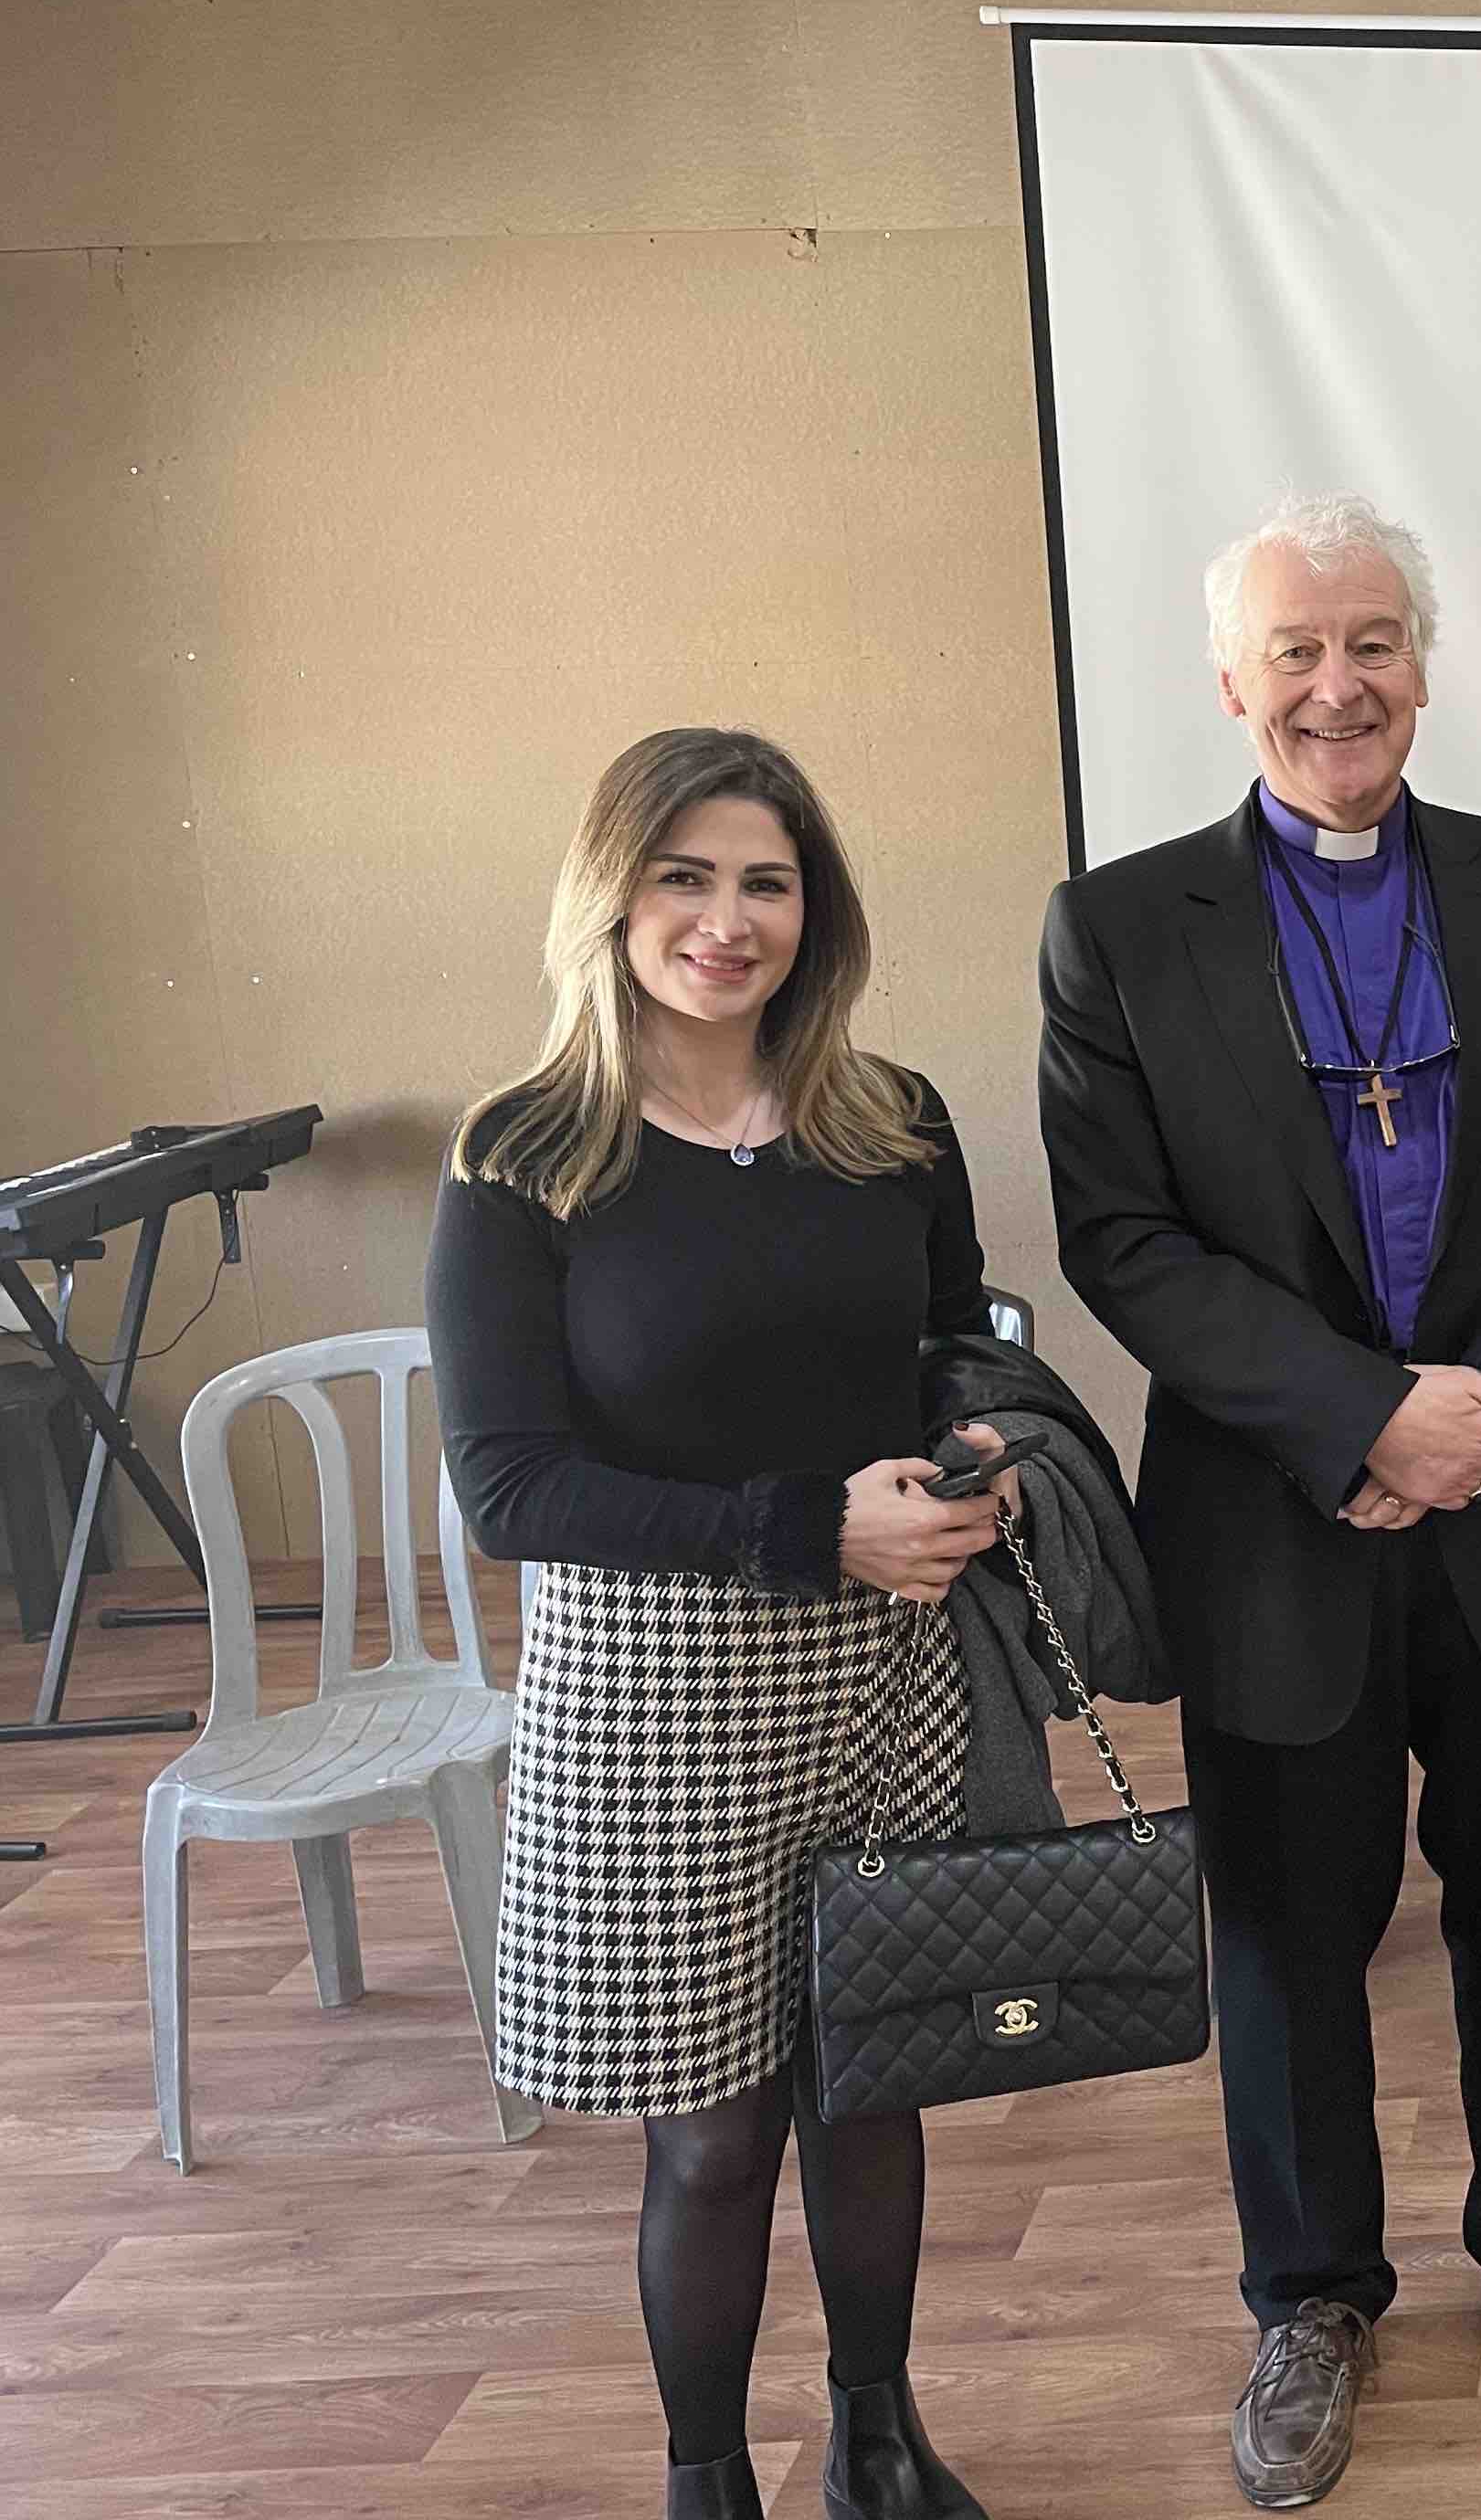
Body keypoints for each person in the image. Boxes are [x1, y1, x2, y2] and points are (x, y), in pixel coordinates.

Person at [1039, 491, 1481, 2511]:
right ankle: (1311, 2294)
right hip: (1272, 1522)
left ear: (1424, 662)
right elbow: (1121, 1243)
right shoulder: (1120, 927)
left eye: (1377, 641)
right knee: (1291, 1940)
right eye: (1299, 653)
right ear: (1233, 684)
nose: (1343, 684)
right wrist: (1361, 1419)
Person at [429, 728, 1014, 2520]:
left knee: (872, 2089)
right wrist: (803, 1529)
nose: (726, 919)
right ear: (612, 896)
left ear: (810, 911)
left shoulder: (891, 1117)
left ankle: (876, 2434)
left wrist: (979, 1454)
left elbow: (949, 1352)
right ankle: (705, 2479)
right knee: (715, 2134)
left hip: (881, 1668)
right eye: (684, 876)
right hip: (653, 1697)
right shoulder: (526, 1155)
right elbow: (512, 1491)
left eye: (765, 880)